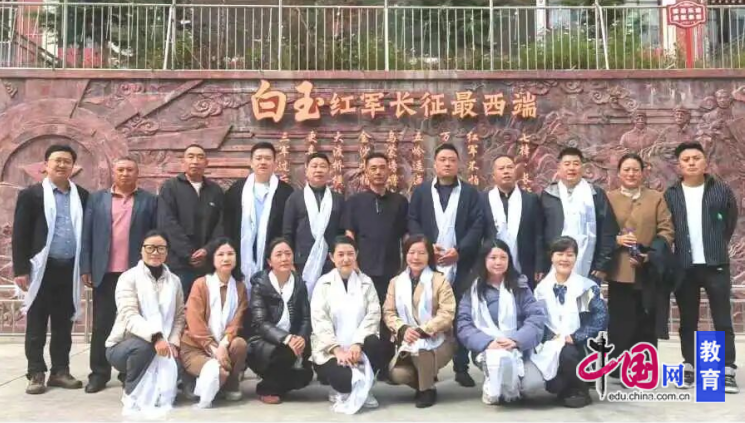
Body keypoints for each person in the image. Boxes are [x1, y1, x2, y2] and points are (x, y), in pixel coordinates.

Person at [12, 144, 90, 394]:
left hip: (69, 269)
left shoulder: (82, 196)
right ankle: (36, 373)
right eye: (57, 160)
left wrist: (86, 266)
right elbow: (20, 234)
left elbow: (87, 234)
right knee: (36, 323)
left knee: (63, 324)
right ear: (46, 165)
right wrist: (21, 269)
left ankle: (60, 371)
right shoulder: (32, 195)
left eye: (67, 161)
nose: (62, 165)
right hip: (40, 269)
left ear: (73, 167)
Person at [664, 142, 739, 393]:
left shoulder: (721, 190)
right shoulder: (671, 194)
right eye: (686, 159)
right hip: (684, 266)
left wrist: (715, 244)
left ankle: (727, 369)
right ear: (679, 165)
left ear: (705, 161)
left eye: (696, 158)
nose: (691, 163)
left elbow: (729, 222)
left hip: (715, 264)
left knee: (722, 319)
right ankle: (690, 365)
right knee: (688, 320)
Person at [408, 143, 484, 387]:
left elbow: (478, 225)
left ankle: (461, 367)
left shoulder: (470, 193)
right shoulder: (421, 192)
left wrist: (459, 252)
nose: (447, 163)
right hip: (428, 265)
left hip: (461, 265)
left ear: (458, 163)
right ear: (435, 163)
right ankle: (429, 367)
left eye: (452, 159)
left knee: (461, 315)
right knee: (428, 314)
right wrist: (427, 247)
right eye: (443, 159)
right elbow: (413, 220)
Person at [80, 156, 158, 393]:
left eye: (130, 169)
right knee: (102, 324)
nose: (125, 173)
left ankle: (129, 372)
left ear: (137, 173)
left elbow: (155, 236)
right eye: (121, 169)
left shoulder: (149, 200)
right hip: (105, 272)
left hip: (136, 273)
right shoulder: (97, 199)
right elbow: (87, 235)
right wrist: (86, 267)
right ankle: (99, 373)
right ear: (114, 173)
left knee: (134, 324)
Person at [606, 153, 674, 377]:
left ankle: (643, 368)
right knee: (620, 320)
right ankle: (618, 368)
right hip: (619, 270)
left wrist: (650, 255)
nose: (631, 174)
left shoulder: (656, 198)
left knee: (646, 321)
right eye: (626, 169)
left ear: (643, 172)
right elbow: (600, 230)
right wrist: (616, 240)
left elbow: (666, 230)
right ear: (618, 173)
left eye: (636, 169)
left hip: (647, 270)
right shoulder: (608, 198)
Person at [105, 230, 185, 417]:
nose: (155, 252)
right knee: (145, 346)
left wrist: (173, 342)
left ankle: (159, 388)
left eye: (160, 248)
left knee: (177, 359)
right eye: (150, 248)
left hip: (165, 343)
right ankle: (133, 392)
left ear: (167, 252)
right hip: (124, 346)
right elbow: (129, 315)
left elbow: (179, 316)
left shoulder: (174, 281)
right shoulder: (128, 278)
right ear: (141, 250)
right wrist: (156, 336)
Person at [457, 240, 546, 405]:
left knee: (531, 386)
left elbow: (536, 317)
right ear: (484, 260)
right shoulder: (473, 289)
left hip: (518, 348)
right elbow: (464, 324)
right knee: (498, 365)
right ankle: (492, 381)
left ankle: (507, 384)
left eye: (503, 257)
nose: (498, 262)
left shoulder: (520, 285)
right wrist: (488, 343)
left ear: (509, 260)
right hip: (488, 349)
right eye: (493, 258)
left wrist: (516, 340)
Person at [344, 152, 409, 378]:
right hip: (363, 270)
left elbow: (406, 236)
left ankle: (386, 365)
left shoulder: (399, 202)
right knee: (364, 315)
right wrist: (353, 264)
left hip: (391, 269)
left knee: (388, 318)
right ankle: (361, 362)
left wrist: (405, 266)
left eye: (382, 167)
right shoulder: (355, 202)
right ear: (366, 171)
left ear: (389, 170)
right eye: (373, 168)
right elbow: (349, 234)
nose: (378, 172)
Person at [311, 236, 384, 414]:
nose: (346, 259)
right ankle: (344, 388)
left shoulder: (366, 282)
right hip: (331, 351)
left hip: (359, 348)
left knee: (375, 342)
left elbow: (373, 315)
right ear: (332, 257)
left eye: (350, 254)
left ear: (356, 254)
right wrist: (337, 350)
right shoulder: (323, 284)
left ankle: (366, 387)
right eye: (341, 254)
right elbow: (320, 320)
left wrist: (357, 343)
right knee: (343, 381)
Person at [533, 236, 608, 408]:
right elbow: (537, 318)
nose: (564, 259)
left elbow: (600, 317)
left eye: (570, 255)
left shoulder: (584, 287)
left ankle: (579, 389)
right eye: (560, 254)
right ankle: (563, 387)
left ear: (576, 257)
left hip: (579, 343)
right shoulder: (542, 288)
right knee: (550, 383)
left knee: (567, 353)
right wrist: (548, 337)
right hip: (550, 342)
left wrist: (575, 337)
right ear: (552, 257)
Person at [383, 235, 456, 408]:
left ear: (429, 256)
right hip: (408, 340)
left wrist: (423, 330)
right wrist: (403, 329)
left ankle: (426, 390)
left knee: (422, 349)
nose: (416, 257)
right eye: (411, 252)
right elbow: (388, 312)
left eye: (422, 253)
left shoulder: (440, 281)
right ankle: (425, 379)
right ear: (405, 254)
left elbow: (447, 313)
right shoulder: (395, 282)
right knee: (396, 374)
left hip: (438, 340)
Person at [181, 238, 248, 408]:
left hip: (222, 345)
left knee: (240, 344)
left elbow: (236, 322)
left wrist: (223, 346)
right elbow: (195, 323)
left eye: (230, 254)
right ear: (212, 259)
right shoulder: (200, 284)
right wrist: (214, 349)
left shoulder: (240, 288)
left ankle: (231, 383)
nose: (226, 258)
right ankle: (194, 381)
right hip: (195, 347)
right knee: (218, 374)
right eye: (220, 254)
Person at [245, 238, 314, 404]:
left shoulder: (299, 283)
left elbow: (306, 317)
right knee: (285, 352)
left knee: (305, 376)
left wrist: (301, 338)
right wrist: (287, 339)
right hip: (263, 342)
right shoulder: (260, 284)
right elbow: (260, 323)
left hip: (293, 341)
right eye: (279, 255)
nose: (284, 258)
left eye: (288, 254)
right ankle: (267, 388)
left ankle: (274, 385)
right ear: (269, 261)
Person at [540, 147, 618, 282]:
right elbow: (539, 233)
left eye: (576, 164)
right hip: (553, 266)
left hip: (590, 266)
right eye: (567, 164)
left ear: (582, 168)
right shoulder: (548, 195)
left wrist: (602, 264)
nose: (571, 168)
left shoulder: (595, 194)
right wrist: (541, 265)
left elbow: (608, 230)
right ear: (559, 168)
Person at [223, 142, 294, 287]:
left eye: (268, 158)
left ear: (275, 163)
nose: (263, 162)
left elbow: (289, 228)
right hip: (240, 257)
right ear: (251, 162)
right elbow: (227, 224)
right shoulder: (237, 190)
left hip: (272, 257)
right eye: (258, 158)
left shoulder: (286, 192)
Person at [158, 144, 224, 298]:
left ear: (206, 163)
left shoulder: (215, 190)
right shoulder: (170, 187)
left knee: (207, 306)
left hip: (208, 263)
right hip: (178, 264)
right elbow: (167, 223)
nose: (195, 161)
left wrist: (207, 250)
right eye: (191, 156)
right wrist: (189, 254)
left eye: (200, 157)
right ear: (183, 162)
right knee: (179, 306)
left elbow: (221, 225)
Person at [283, 152, 345, 296]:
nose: (318, 170)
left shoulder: (338, 199)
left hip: (330, 262)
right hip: (301, 261)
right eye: (314, 166)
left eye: (323, 166)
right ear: (306, 170)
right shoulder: (295, 198)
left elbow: (341, 233)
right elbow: (287, 233)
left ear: (329, 171)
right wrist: (289, 262)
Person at [482, 154, 546, 289]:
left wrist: (540, 265)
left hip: (525, 264)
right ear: (493, 175)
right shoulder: (483, 199)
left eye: (510, 167)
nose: (506, 171)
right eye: (501, 168)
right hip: (492, 264)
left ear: (515, 172)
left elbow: (538, 234)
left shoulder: (530, 199)